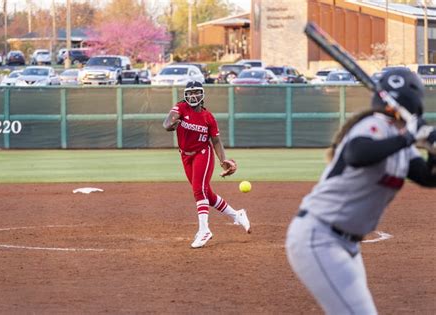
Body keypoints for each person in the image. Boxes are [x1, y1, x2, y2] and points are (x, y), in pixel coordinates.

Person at [285, 68, 436, 314]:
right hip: (319, 237)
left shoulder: (399, 140)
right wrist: (409, 136)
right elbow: (357, 154)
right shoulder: (374, 125)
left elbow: (428, 179)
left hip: (347, 245)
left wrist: (430, 149)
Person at [163, 81, 251, 248]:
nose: (193, 96)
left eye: (196, 92)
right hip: (185, 155)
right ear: (185, 95)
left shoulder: (208, 117)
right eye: (190, 93)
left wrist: (223, 160)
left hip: (203, 153)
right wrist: (171, 124)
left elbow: (216, 141)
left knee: (198, 189)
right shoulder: (181, 107)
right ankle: (237, 215)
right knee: (206, 194)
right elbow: (167, 123)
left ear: (202, 95)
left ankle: (204, 230)